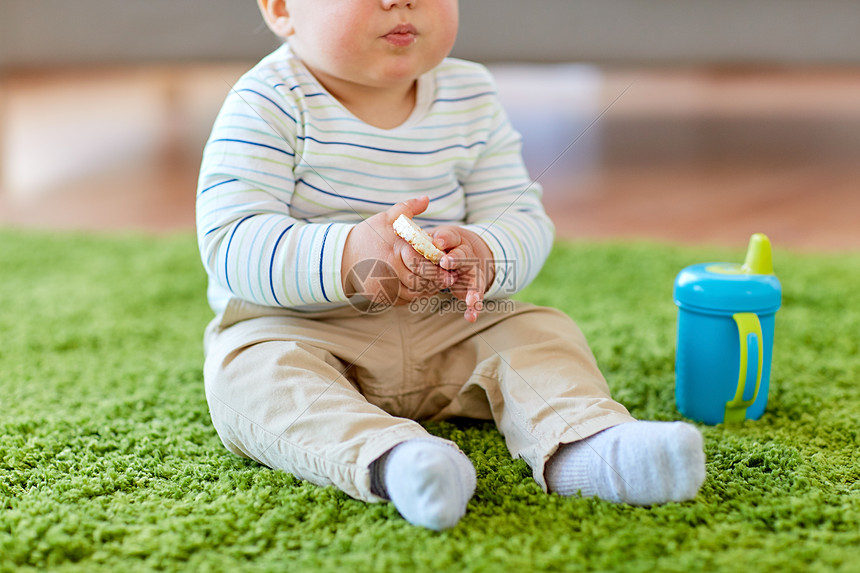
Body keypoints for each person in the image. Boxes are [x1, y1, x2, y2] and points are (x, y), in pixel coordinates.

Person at [197, 0, 706, 531]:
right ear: (282, 9)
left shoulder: (470, 94)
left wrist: (485, 251)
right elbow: (230, 241)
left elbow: (521, 216)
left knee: (538, 330)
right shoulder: (267, 100)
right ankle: (396, 460)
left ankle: (587, 443)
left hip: (449, 323)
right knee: (247, 377)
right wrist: (349, 255)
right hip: (304, 328)